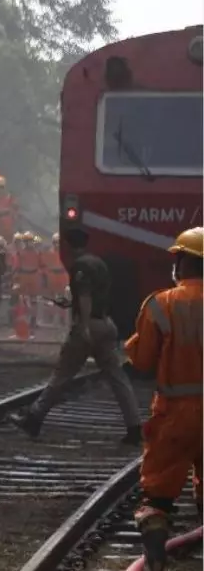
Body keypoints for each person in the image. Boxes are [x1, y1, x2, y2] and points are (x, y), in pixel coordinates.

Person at [14, 226, 142, 444]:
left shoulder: (80, 265)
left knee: (62, 374)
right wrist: (69, 303)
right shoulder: (99, 262)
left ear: (69, 245)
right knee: (117, 377)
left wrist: (82, 327)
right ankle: (134, 426)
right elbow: (93, 294)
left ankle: (34, 418)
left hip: (89, 324)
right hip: (106, 323)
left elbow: (84, 296)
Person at [127, 228, 203, 571]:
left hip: (173, 416)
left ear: (181, 262)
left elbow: (141, 363)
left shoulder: (161, 304)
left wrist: (132, 347)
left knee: (157, 495)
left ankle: (155, 560)